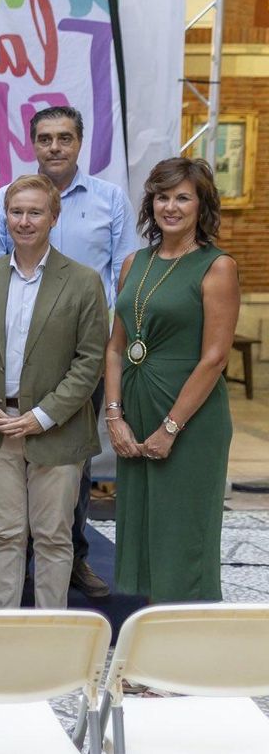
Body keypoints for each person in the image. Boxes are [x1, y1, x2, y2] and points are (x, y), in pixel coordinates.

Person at [0, 105, 139, 599]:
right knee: (7, 525)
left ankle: (71, 573)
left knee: (69, 490)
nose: (55, 146)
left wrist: (105, 349)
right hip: (5, 396)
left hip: (78, 362)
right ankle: (10, 612)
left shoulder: (109, 200)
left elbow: (123, 273)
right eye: (45, 138)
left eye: (64, 137)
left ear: (79, 142)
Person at [0, 175, 107, 611]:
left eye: (35, 212)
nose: (24, 221)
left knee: (52, 536)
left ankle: (50, 639)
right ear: (5, 217)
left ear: (53, 217)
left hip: (56, 430)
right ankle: (5, 630)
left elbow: (90, 361)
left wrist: (43, 415)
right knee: (4, 533)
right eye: (16, 212)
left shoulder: (83, 282)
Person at [106, 157, 238, 603]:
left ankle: (184, 655)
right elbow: (115, 347)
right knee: (145, 531)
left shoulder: (216, 267)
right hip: (137, 411)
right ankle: (153, 644)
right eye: (163, 196)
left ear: (202, 206)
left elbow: (215, 358)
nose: (171, 206)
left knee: (183, 534)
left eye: (183, 197)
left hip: (189, 420)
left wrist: (170, 428)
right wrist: (114, 417)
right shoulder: (133, 263)